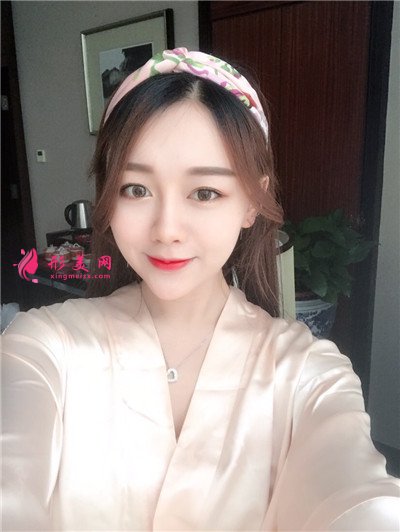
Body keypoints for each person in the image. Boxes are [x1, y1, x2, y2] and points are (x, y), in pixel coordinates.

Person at [1, 48, 399, 531]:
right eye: (136, 189)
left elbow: (361, 505)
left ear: (251, 201)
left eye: (205, 193)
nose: (167, 229)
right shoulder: (44, 347)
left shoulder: (308, 376)